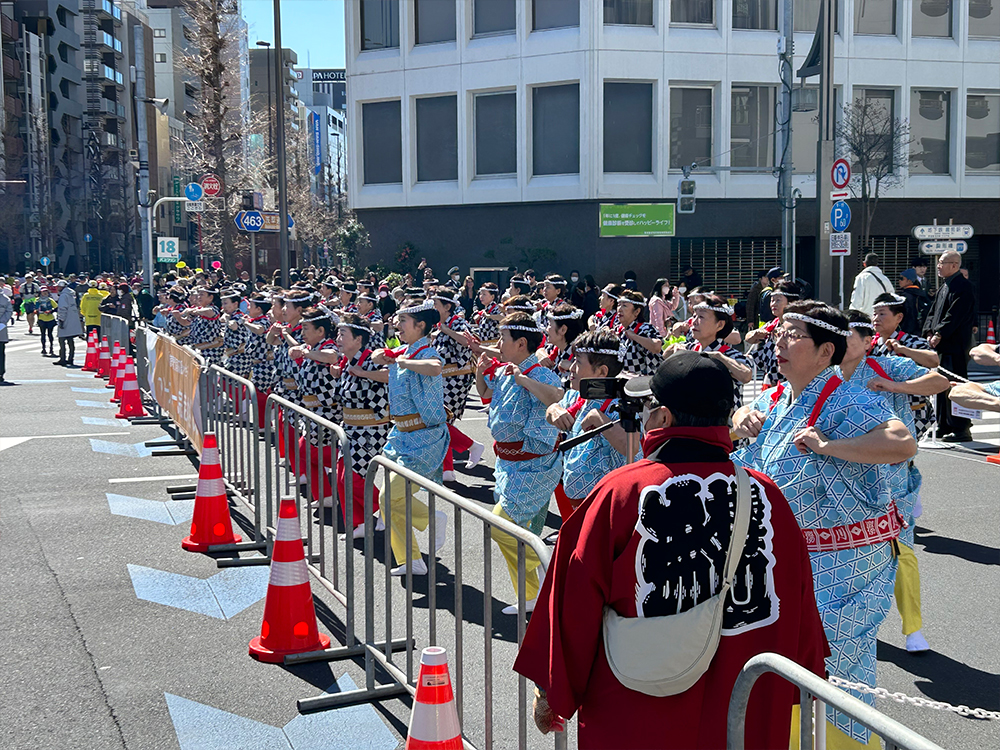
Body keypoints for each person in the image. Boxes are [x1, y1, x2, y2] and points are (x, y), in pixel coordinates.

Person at [515, 352, 828, 750]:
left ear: (662, 418)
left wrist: (553, 690)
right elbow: (799, 599)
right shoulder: (767, 496)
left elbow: (574, 598)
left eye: (647, 407)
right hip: (746, 702)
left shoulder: (622, 492)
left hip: (642, 703)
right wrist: (808, 676)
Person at [732, 301, 917, 749]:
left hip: (848, 562)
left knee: (840, 662)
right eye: (780, 331)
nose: (779, 339)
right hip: (790, 560)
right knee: (794, 662)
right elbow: (737, 424)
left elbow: (901, 441)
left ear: (824, 351)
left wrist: (831, 444)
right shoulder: (776, 396)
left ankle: (849, 744)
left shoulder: (846, 397)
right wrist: (742, 418)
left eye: (793, 334)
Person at [841, 310, 949, 654]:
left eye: (848, 337)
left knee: (901, 549)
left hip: (891, 475)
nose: (841, 343)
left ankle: (912, 627)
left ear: (866, 341)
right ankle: (853, 622)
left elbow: (940, 381)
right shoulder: (825, 375)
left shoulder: (886, 365)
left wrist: (894, 386)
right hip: (843, 477)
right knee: (846, 552)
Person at [475, 312, 563, 614]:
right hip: (507, 464)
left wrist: (523, 379)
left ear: (521, 343)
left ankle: (547, 576)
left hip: (534, 466)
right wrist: (479, 372)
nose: (498, 345)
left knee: (501, 526)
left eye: (504, 339)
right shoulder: (503, 370)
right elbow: (486, 395)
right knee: (519, 532)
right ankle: (531, 594)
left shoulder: (540, 373)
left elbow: (557, 397)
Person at [372, 297, 449, 577]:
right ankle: (411, 559)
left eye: (403, 321)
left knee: (388, 496)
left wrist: (400, 359)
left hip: (424, 437)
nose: (397, 325)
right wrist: (380, 359)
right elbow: (390, 369)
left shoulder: (426, 351)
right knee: (388, 499)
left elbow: (434, 367)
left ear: (420, 326)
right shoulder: (404, 351)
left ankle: (430, 520)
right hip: (402, 435)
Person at [545, 328, 630, 518]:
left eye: (578, 362)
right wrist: (554, 410)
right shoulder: (577, 394)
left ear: (602, 371)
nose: (571, 367)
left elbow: (631, 449)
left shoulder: (621, 406)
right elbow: (552, 410)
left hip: (603, 511)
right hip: (574, 504)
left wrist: (599, 419)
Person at [330, 313, 390, 537]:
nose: (338, 338)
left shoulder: (370, 357)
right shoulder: (345, 361)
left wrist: (364, 373)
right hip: (349, 427)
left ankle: (387, 507)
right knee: (341, 476)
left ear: (358, 339)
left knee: (352, 477)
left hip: (371, 429)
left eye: (343, 334)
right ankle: (361, 522)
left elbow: (390, 374)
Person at [922, 250, 977, 442]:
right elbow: (932, 312)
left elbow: (955, 315)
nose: (938, 266)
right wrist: (929, 331)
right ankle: (943, 424)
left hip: (955, 345)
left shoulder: (963, 286)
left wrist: (939, 333)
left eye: (942, 262)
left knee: (954, 385)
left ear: (954, 265)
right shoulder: (944, 287)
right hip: (942, 346)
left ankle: (961, 427)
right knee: (940, 385)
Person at [870, 293, 940, 440]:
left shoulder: (912, 342)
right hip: (877, 411)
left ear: (899, 317)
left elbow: (934, 360)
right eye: (874, 314)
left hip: (911, 410)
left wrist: (903, 350)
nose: (876, 319)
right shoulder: (869, 345)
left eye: (882, 314)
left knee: (903, 456)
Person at [431, 288, 485, 481]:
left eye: (436, 304)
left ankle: (471, 446)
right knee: (440, 424)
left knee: (441, 421)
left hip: (456, 380)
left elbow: (467, 342)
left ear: (447, 307)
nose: (433, 307)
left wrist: (446, 330)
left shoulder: (457, 322)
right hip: (441, 380)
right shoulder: (439, 324)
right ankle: (447, 470)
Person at [669, 295, 752, 409]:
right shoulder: (690, 348)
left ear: (720, 325)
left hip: (724, 422)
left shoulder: (729, 354)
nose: (694, 322)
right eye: (694, 316)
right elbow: (664, 354)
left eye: (701, 317)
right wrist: (675, 347)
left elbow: (746, 375)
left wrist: (719, 357)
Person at [745, 280, 800, 389]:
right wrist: (755, 334)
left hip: (791, 383)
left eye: (778, 300)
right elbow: (748, 339)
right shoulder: (773, 324)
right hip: (771, 383)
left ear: (791, 302)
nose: (773, 304)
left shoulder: (799, 327)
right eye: (772, 300)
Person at [615, 290, 663, 377]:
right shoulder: (618, 329)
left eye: (624, 306)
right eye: (618, 305)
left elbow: (657, 346)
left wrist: (634, 336)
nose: (619, 309)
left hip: (644, 383)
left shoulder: (645, 329)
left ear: (637, 312)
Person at [540, 303, 586, 389]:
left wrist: (573, 367)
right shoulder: (553, 348)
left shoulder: (580, 355)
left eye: (550, 325)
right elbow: (539, 351)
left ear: (563, 329)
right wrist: (542, 356)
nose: (547, 329)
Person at [55, 280, 84, 367]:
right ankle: (71, 358)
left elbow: (62, 308)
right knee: (70, 341)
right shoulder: (72, 294)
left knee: (62, 340)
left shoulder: (64, 296)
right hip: (73, 319)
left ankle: (63, 358)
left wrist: (61, 319)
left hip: (66, 320)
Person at [896, 269, 930, 335]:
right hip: (922, 330)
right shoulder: (923, 294)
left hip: (906, 332)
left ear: (909, 280)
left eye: (901, 278)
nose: (899, 281)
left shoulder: (904, 296)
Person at [35, 287, 58, 357]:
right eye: (43, 292)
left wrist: (51, 311)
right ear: (40, 293)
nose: (45, 293)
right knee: (42, 334)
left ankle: (51, 348)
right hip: (42, 319)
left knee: (50, 334)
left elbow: (57, 308)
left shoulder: (50, 300)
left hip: (50, 319)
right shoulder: (37, 300)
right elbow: (36, 309)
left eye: (46, 292)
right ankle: (43, 348)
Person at [0, 285, 12, 384]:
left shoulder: (5, 299)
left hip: (1, 328)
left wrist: (2, 322)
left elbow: (9, 311)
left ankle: (0, 373)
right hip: (1, 326)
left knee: (0, 352)